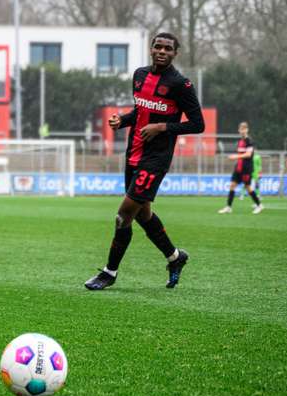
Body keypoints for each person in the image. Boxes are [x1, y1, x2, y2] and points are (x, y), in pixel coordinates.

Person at [84, 33, 204, 291]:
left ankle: (109, 272)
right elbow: (140, 111)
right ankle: (175, 257)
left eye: (168, 48)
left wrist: (161, 127)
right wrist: (123, 121)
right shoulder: (139, 75)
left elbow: (197, 124)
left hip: (156, 158)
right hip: (133, 154)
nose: (162, 51)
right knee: (143, 214)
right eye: (157, 46)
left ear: (175, 54)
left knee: (124, 214)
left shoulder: (181, 85)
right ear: (151, 49)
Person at [218, 122, 262, 214]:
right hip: (238, 167)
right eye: (241, 129)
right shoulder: (240, 141)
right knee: (232, 185)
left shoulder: (249, 141)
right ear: (239, 130)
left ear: (247, 130)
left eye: (244, 128)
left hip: (246, 168)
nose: (242, 130)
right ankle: (228, 207)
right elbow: (241, 154)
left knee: (248, 187)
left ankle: (259, 205)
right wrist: (237, 158)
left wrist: (235, 157)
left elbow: (248, 154)